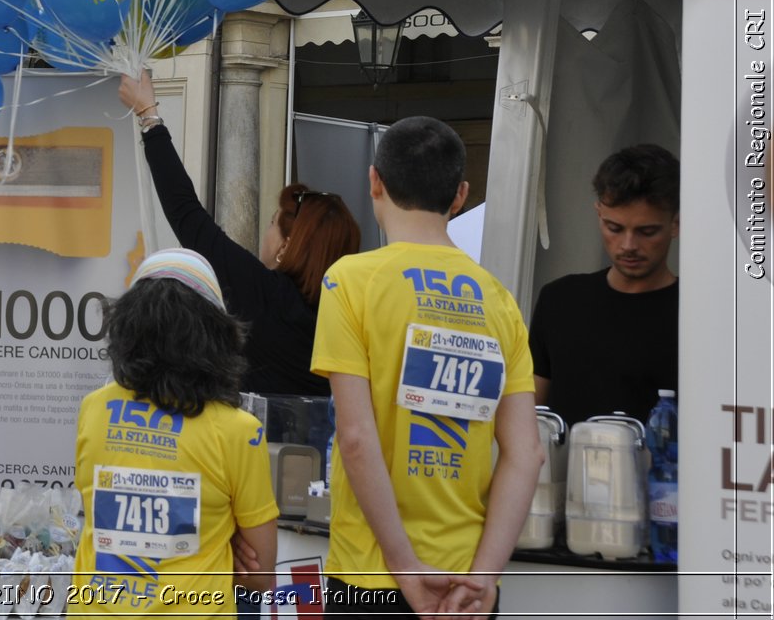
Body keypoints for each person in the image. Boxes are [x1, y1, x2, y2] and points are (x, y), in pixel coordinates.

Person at [312, 117, 542, 619]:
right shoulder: (500, 300)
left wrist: (405, 569)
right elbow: (525, 453)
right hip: (467, 584)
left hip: (370, 574)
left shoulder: (351, 280)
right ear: (460, 195)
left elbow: (354, 437)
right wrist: (483, 578)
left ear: (374, 181)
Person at [120, 71, 361, 395]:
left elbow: (187, 214)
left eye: (273, 222)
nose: (267, 231)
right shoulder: (350, 317)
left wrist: (149, 116)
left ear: (287, 246)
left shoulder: (266, 294)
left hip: (258, 443)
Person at [73, 248, 278, 615]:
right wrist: (222, 539)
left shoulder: (95, 410)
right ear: (214, 335)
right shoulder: (239, 431)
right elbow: (260, 576)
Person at [529, 144, 679, 426]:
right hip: (561, 470)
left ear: (676, 224)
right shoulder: (559, 300)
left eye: (647, 232)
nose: (628, 245)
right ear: (599, 214)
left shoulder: (696, 316)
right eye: (615, 228)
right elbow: (529, 420)